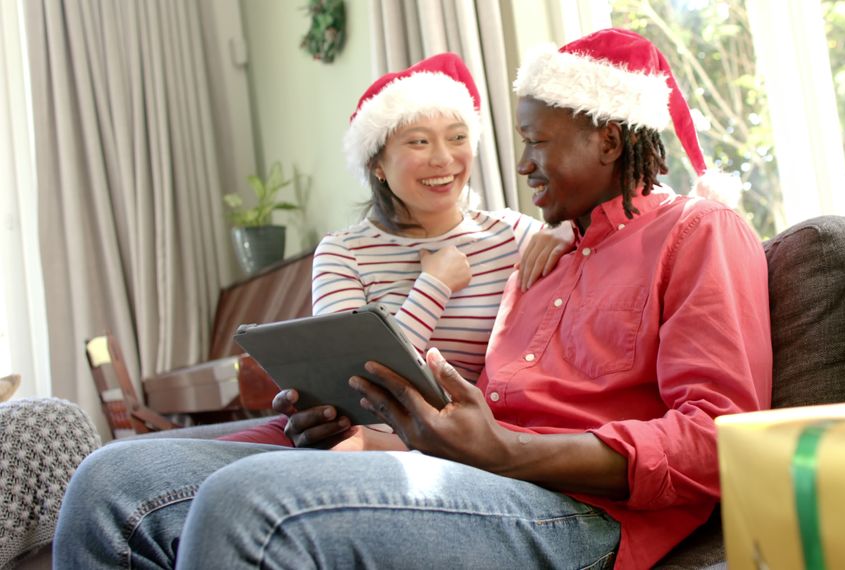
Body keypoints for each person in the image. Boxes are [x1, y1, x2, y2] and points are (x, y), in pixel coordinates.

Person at [54, 29, 772, 569]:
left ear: (609, 141)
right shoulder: (547, 254)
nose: (518, 164)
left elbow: (720, 440)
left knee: (249, 505)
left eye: (535, 143)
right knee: (113, 479)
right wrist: (366, 424)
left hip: (581, 514)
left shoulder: (700, 232)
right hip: (463, 473)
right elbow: (481, 412)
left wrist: (510, 451)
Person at [219, 53, 572, 447]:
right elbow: (354, 383)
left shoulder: (511, 235)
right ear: (378, 166)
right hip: (345, 439)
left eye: (457, 137)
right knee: (153, 470)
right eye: (419, 141)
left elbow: (633, 216)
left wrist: (569, 228)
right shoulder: (342, 252)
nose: (443, 158)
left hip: (436, 449)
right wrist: (434, 284)